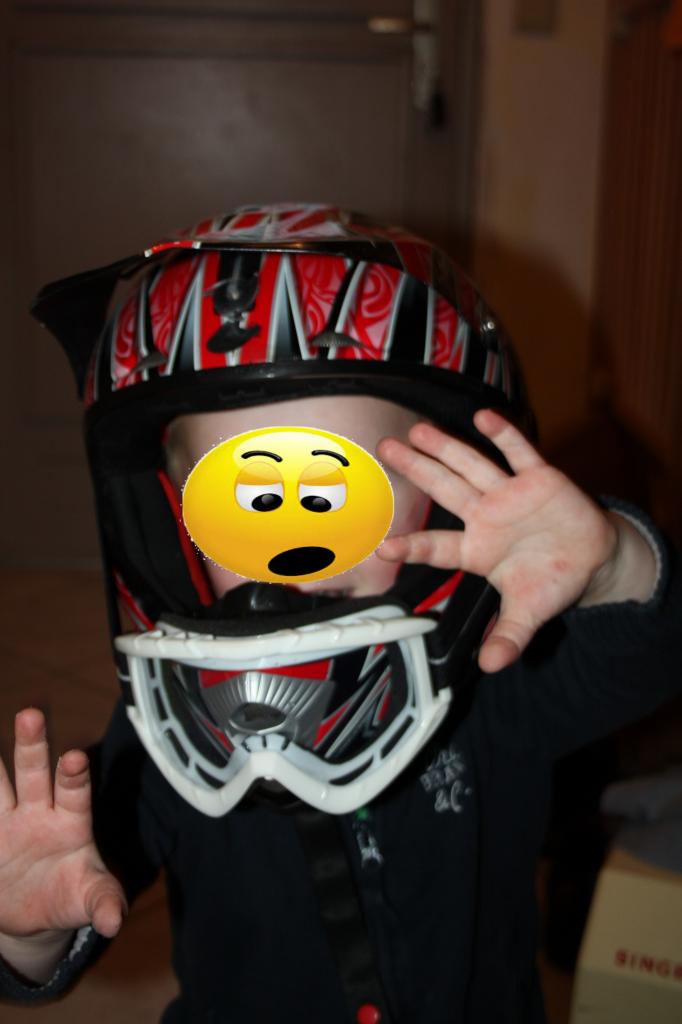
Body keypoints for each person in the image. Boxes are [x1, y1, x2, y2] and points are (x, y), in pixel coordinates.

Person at [0, 205, 678, 1023]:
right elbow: (89, 889)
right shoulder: (167, 726)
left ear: (446, 495)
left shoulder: (497, 662)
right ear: (177, 526)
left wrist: (611, 562)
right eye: (245, 504)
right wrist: (30, 933)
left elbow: (648, 655)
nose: (294, 546)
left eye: (336, 497)